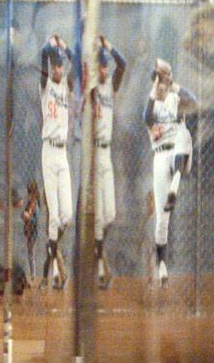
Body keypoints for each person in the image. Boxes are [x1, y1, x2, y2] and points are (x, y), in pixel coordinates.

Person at [143, 59, 197, 288]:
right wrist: (155, 88)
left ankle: (176, 184)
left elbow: (194, 102)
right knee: (161, 219)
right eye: (159, 81)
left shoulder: (176, 98)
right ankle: (162, 266)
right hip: (160, 155)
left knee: (184, 135)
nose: (163, 85)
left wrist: (173, 84)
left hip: (180, 152)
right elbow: (146, 117)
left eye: (164, 80)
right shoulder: (152, 105)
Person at [37, 34, 78, 290]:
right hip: (48, 151)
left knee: (67, 216)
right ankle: (51, 267)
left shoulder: (66, 85)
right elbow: (43, 60)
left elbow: (80, 68)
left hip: (63, 153)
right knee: (54, 217)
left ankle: (51, 248)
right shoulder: (46, 86)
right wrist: (49, 47)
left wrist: (65, 48)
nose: (58, 69)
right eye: (55, 66)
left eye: (61, 65)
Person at [88, 36, 126, 290]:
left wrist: (108, 47)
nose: (105, 69)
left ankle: (97, 254)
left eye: (105, 66)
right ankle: (98, 263)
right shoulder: (92, 90)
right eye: (100, 66)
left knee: (109, 214)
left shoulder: (110, 86)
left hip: (108, 153)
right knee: (100, 215)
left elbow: (122, 65)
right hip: (94, 154)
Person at [21, 181, 41, 283]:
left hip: (33, 233)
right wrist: (24, 215)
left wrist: (28, 218)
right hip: (28, 232)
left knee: (31, 254)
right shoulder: (29, 204)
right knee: (29, 253)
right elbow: (23, 214)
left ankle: (33, 276)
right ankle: (31, 274)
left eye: (29, 193)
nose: (28, 195)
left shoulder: (35, 206)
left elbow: (36, 221)